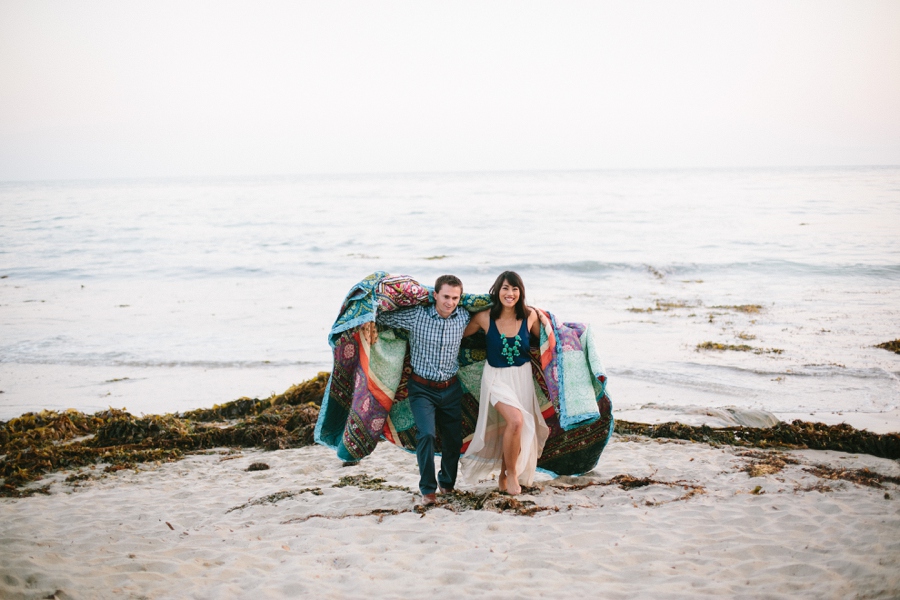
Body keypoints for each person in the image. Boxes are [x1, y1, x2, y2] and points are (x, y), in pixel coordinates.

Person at [374, 274, 470, 506]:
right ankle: (427, 489)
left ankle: (446, 483)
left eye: (455, 298)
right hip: (421, 389)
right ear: (435, 295)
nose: (450, 302)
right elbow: (382, 315)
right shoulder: (417, 317)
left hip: (451, 388)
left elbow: (490, 313)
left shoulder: (465, 317)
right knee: (426, 435)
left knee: (453, 440)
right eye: (446, 296)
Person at [462, 271, 550, 495]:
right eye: (505, 288)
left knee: (514, 428)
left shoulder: (530, 316)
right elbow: (457, 335)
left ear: (520, 293)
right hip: (496, 378)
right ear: (497, 291)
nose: (510, 293)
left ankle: (503, 474)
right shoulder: (484, 317)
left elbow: (547, 340)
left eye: (515, 289)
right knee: (516, 421)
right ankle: (512, 474)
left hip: (522, 377)